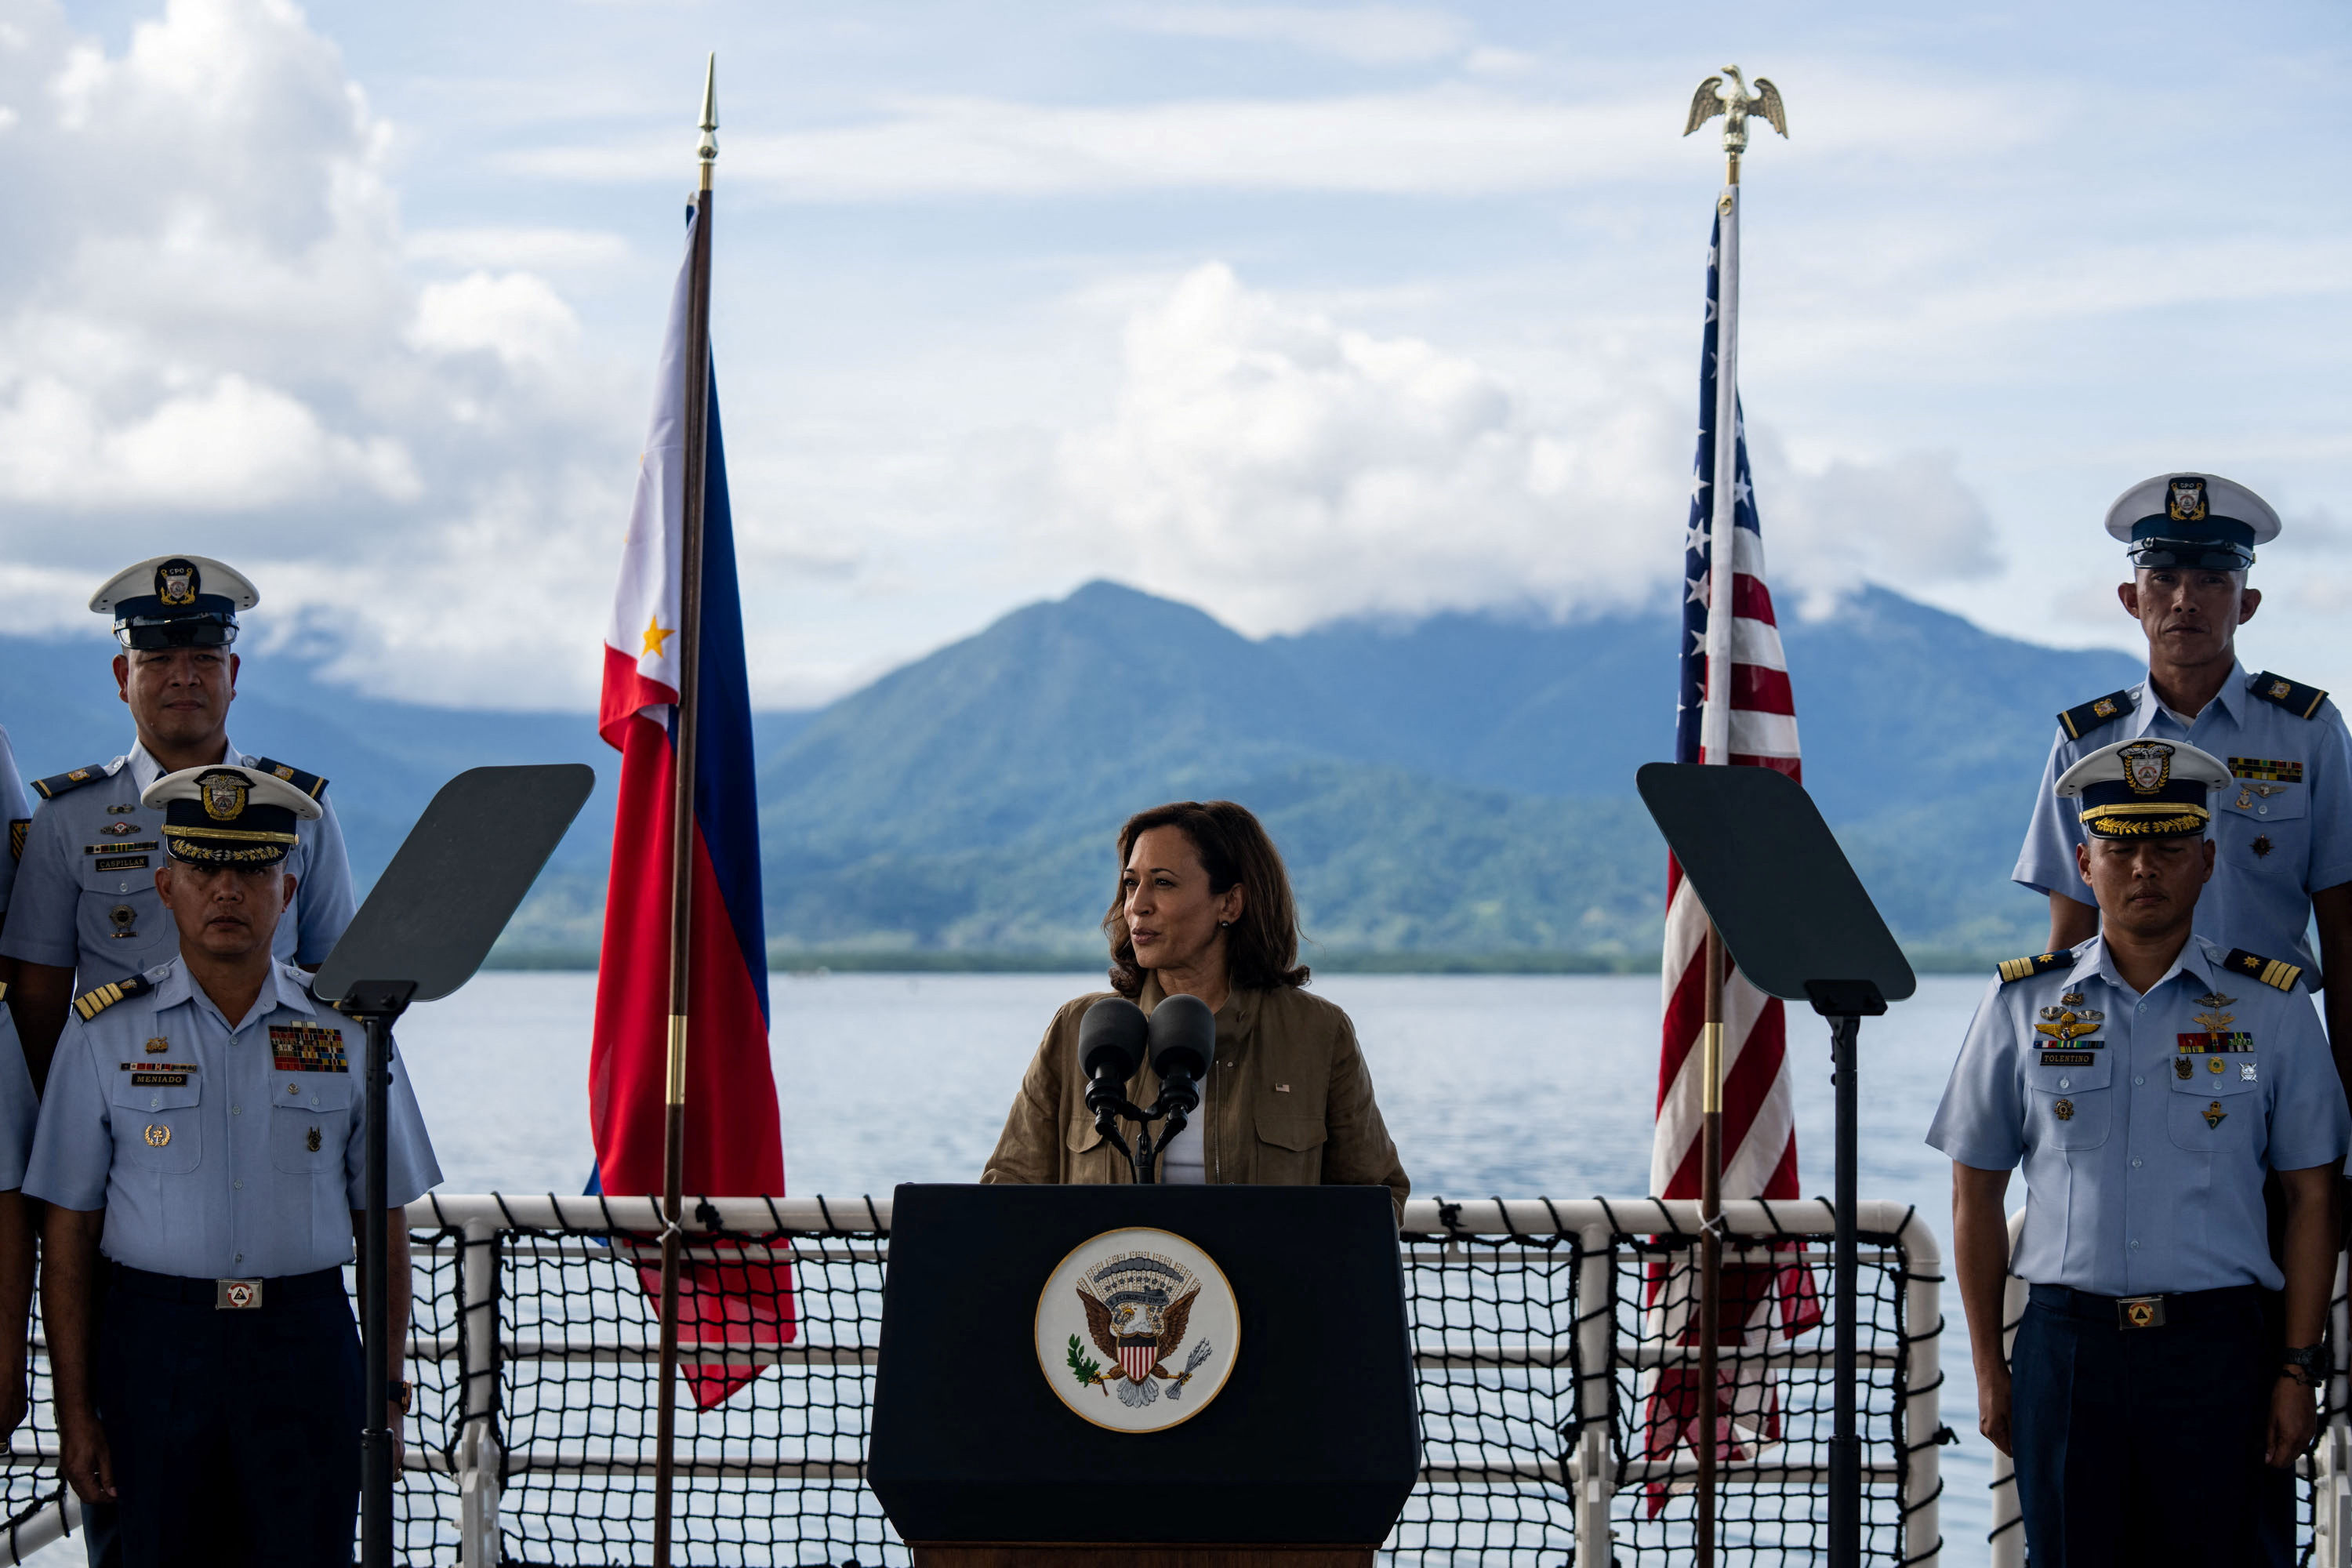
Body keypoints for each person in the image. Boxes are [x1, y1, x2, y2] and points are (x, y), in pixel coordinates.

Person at [1935, 736, 2348, 1566]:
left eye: (2166, 847)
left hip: (2220, 1354)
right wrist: (1989, 1367)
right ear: (2084, 863)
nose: (2143, 868)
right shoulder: (2022, 1002)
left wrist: (2298, 1369)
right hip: (2067, 1351)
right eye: (2120, 848)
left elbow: (2314, 1198)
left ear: (2207, 859)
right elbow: (1973, 1192)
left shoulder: (2273, 1007)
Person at [25, 764, 439, 1565]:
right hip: (155, 1348)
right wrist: (75, 1412)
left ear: (286, 893)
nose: (226, 888)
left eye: (251, 867)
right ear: (164, 886)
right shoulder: (104, 1034)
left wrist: (386, 1391)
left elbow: (385, 1218)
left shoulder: (353, 1030)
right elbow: (68, 1232)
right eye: (203, 866)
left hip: (306, 1344)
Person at [2013, 473, 2352, 1067]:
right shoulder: (2088, 741)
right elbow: (2070, 936)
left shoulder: (2309, 732)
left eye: (2212, 581)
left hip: (2274, 1050)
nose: (2184, 600)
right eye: (2163, 578)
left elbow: (2346, 936)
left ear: (2246, 604)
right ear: (2129, 598)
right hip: (2124, 1054)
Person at [1, 555, 354, 1091]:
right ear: (124, 676)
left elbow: (333, 982)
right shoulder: (69, 816)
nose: (184, 677)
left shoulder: (301, 809)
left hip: (271, 1095)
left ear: (232, 675)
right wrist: (62, 1119)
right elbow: (37, 994)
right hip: (120, 1103)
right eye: (159, 659)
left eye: (205, 659)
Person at [982, 799, 1409, 1218]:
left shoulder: (1317, 1032)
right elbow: (1006, 1191)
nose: (1137, 905)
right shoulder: (1078, 1028)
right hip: (1111, 1289)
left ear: (1230, 904)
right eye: (1131, 883)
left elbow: (1378, 1197)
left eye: (1163, 882)